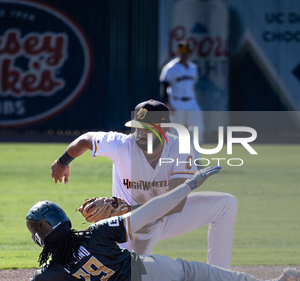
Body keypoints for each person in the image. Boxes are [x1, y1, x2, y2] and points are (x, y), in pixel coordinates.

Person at [7, 166, 300, 281]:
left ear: (39, 240)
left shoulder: (47, 276)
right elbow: (149, 212)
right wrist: (188, 187)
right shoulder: (96, 233)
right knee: (218, 277)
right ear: (65, 220)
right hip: (157, 266)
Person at [50, 99, 237, 270]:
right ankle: (73, 276)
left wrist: (129, 208)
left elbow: (177, 202)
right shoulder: (122, 145)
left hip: (167, 215)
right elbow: (86, 139)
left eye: (147, 129)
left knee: (226, 204)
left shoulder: (180, 149)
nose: (140, 133)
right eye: (137, 127)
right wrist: (62, 162)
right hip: (132, 224)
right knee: (127, 279)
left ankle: (218, 276)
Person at [159, 40, 204, 154]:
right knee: (176, 132)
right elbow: (163, 86)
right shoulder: (170, 68)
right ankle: (175, 157)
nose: (184, 53)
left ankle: (195, 159)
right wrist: (168, 104)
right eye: (182, 51)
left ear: (189, 52)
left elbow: (192, 85)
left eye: (186, 51)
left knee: (198, 128)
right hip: (176, 102)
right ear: (178, 52)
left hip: (191, 101)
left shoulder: (193, 68)